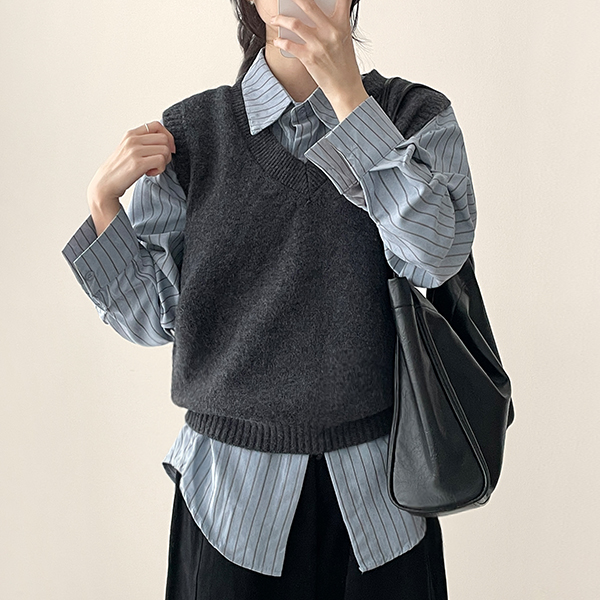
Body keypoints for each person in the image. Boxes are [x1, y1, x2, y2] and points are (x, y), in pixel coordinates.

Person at [61, 0, 477, 597]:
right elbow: (157, 317)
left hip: (385, 494)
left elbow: (434, 257)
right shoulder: (192, 135)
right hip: (229, 499)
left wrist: (350, 102)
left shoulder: (416, 116)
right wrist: (104, 204)